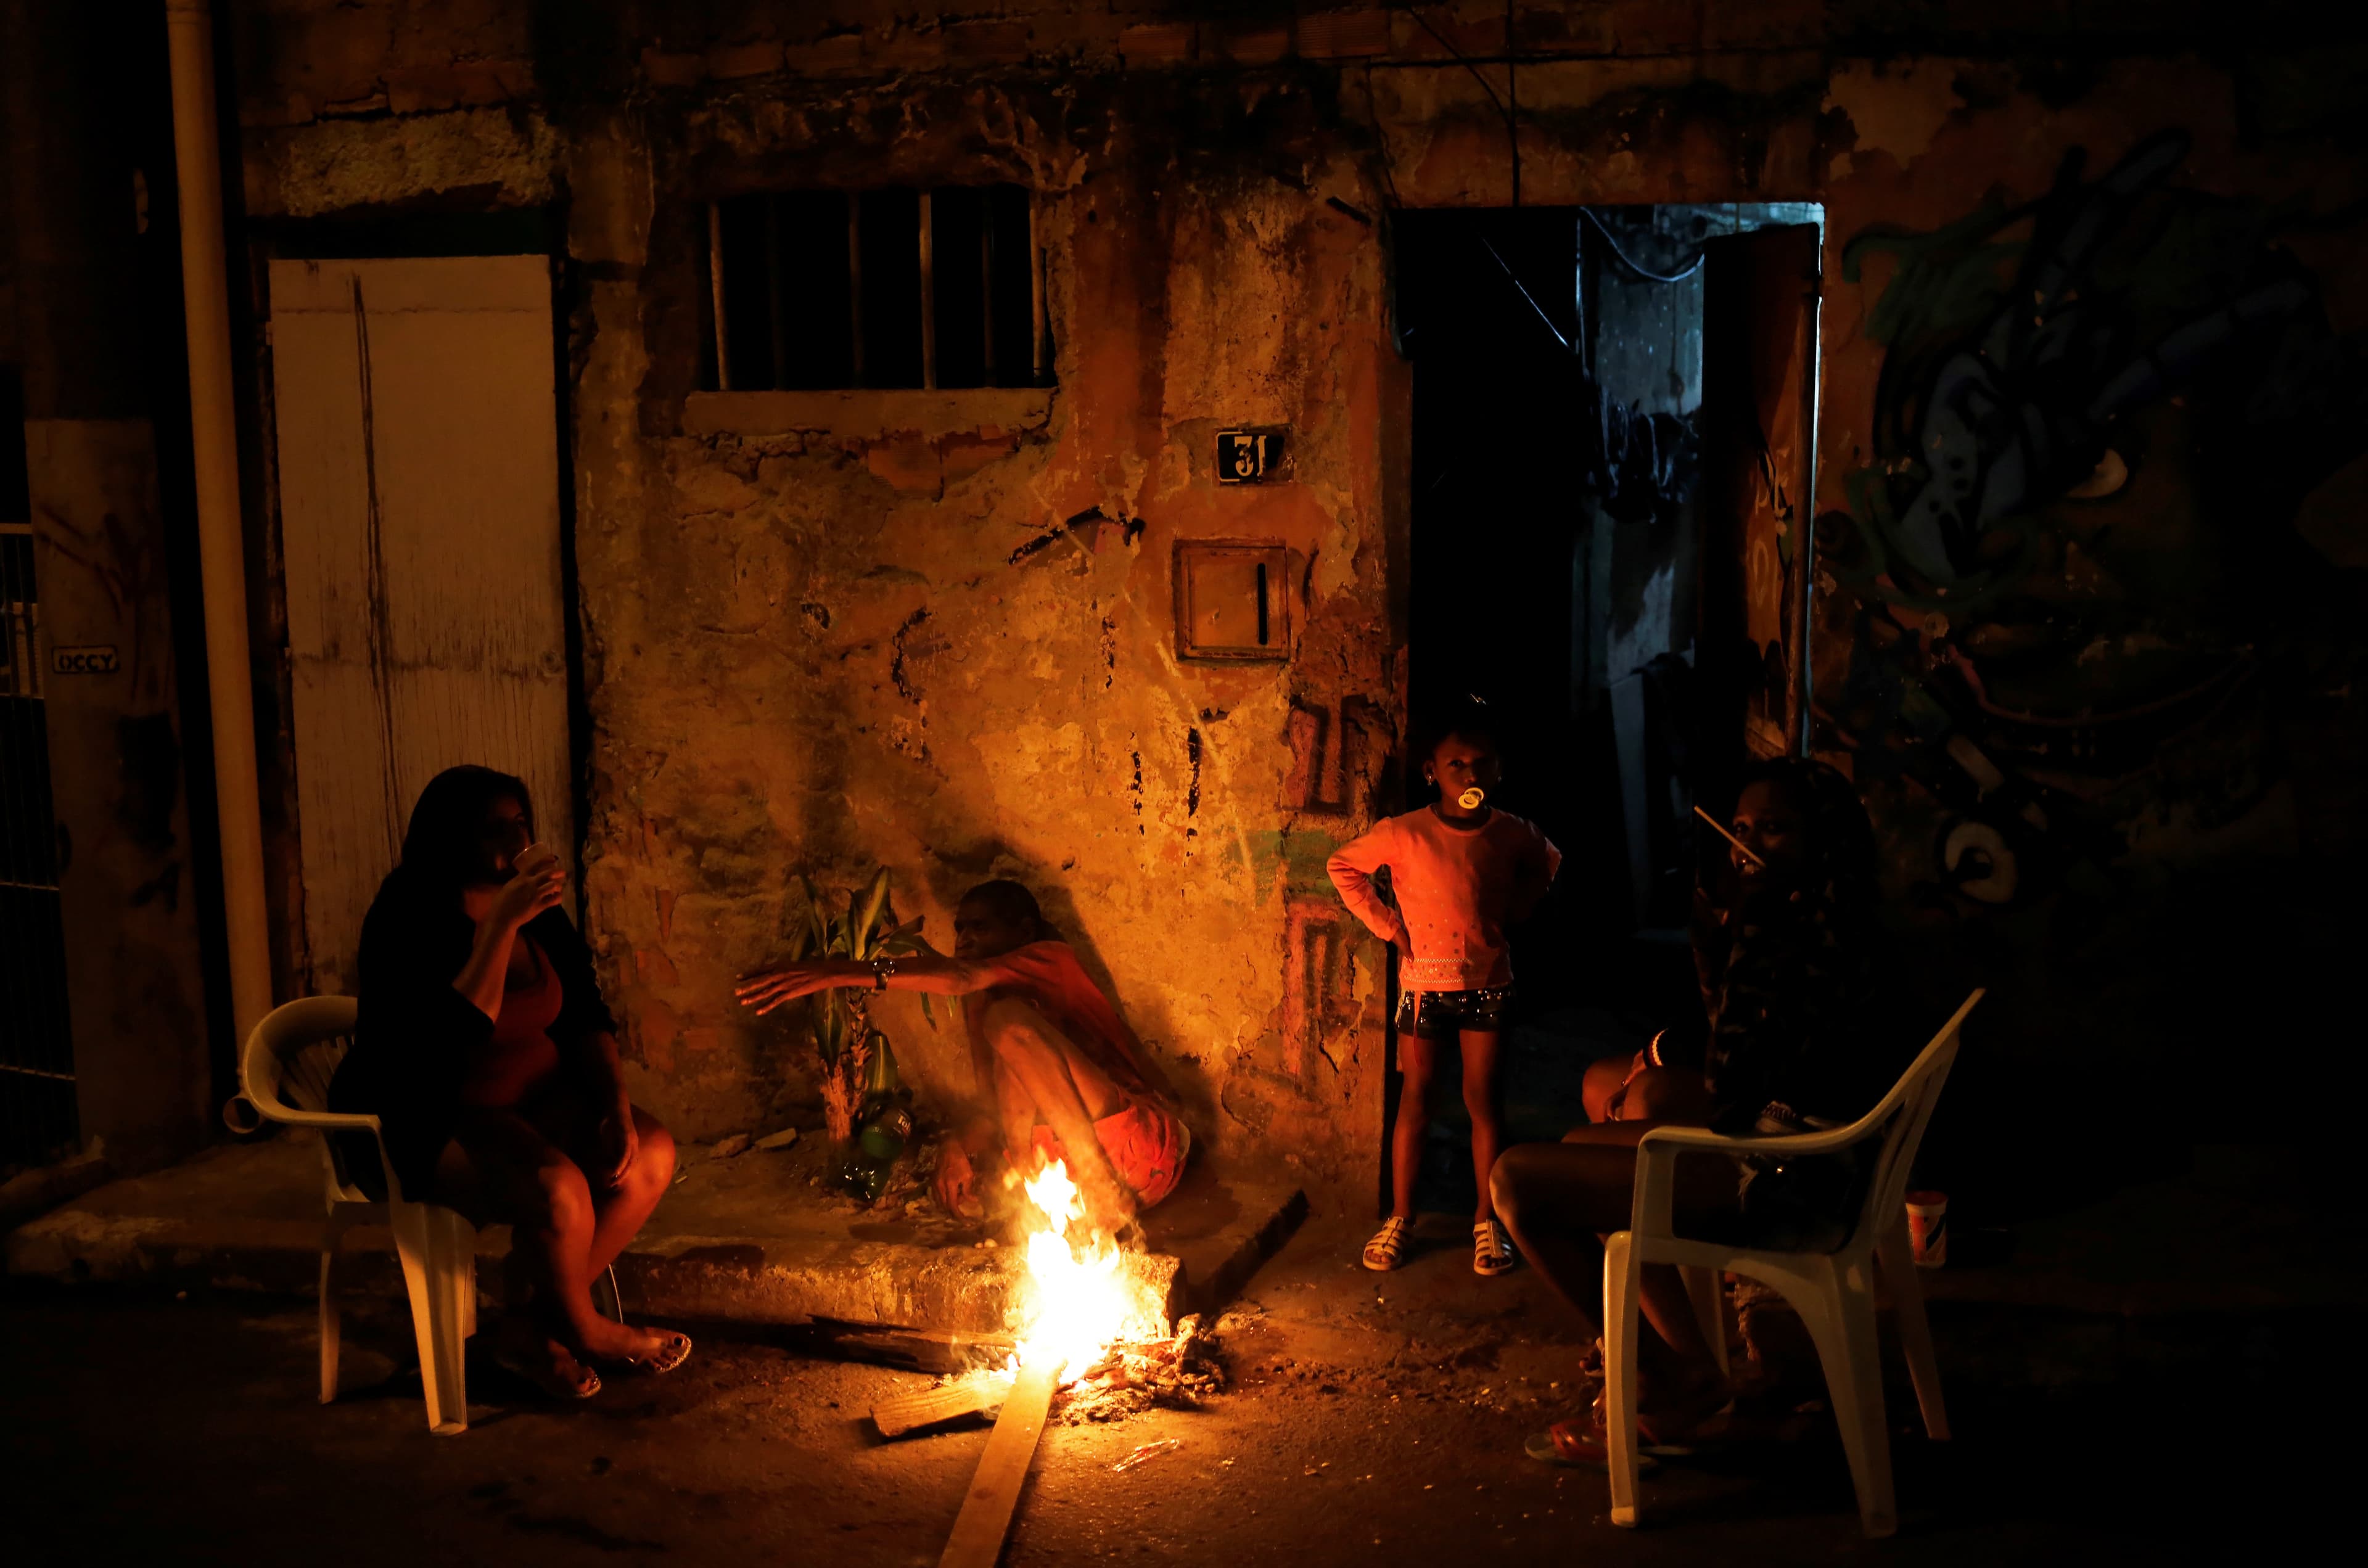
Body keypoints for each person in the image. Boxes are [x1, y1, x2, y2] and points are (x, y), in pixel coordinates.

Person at [1489, 756, 1891, 1464]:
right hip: (1791, 1144)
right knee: (1588, 1137)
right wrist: (1726, 938)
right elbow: (1729, 1054)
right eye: (1740, 829)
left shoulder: (1814, 935)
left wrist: (1740, 940)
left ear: (1821, 838)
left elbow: (1733, 1081)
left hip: (1795, 1174)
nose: (1749, 846)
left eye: (1774, 829)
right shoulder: (1822, 910)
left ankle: (1666, 1373)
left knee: (1518, 1182)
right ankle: (1679, 1360)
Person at [328, 766, 689, 1401]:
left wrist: (616, 1106)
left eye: (521, 823)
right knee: (560, 1190)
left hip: (537, 1100)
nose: (516, 839)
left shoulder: (537, 907)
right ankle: (587, 1329)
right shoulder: (407, 912)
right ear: (451, 839)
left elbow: (585, 1013)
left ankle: (526, 1324)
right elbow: (451, 1035)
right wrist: (499, 926)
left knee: (649, 1156)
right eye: (496, 828)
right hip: (436, 1112)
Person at [735, 880, 1188, 1239]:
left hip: (1136, 1152)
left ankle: (1097, 1182)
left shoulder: (1051, 959)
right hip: (1067, 1189)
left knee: (1008, 1022)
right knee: (1002, 1027)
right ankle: (1038, 1205)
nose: (965, 939)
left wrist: (832, 972)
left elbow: (962, 976)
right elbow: (994, 1110)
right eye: (960, 929)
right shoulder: (982, 1004)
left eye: (980, 927)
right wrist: (957, 1146)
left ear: (1024, 932)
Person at [1328, 700, 1561, 1276]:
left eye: (1482, 764)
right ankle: (1402, 1216)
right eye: (1457, 763)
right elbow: (1343, 867)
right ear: (1431, 770)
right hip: (1423, 988)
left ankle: (1487, 1220)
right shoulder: (1404, 834)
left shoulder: (1510, 832)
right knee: (1418, 1099)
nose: (1471, 775)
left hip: (1488, 984)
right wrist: (1389, 927)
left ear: (1498, 771)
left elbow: (1547, 862)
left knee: (1484, 1101)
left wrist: (1519, 908)